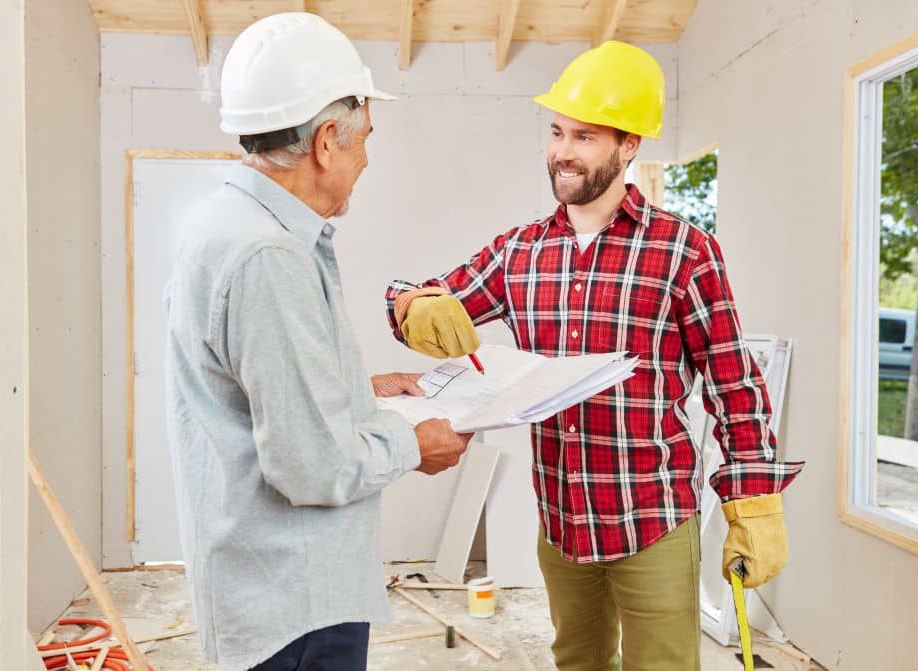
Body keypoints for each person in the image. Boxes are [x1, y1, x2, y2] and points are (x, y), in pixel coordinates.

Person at [385, 41, 804, 671]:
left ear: (629, 145)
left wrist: (755, 505)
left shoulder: (684, 252)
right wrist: (412, 305)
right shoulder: (519, 251)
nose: (561, 151)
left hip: (653, 520)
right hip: (560, 520)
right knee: (577, 663)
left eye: (583, 136)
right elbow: (433, 298)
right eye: (556, 132)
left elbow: (734, 386)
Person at [163, 13, 472, 671]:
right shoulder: (268, 255)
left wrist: (359, 390)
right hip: (293, 603)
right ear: (327, 141)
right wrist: (414, 443)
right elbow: (309, 465)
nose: (367, 161)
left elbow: (255, 394)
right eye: (364, 141)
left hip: (269, 589)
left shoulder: (226, 221)